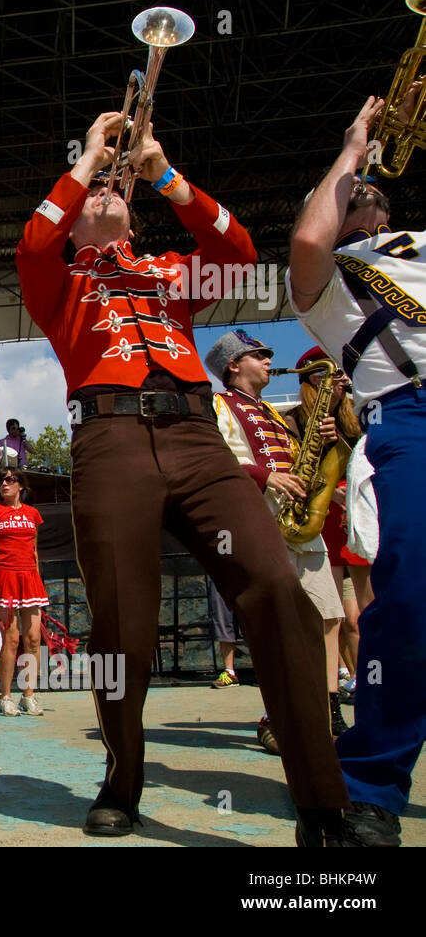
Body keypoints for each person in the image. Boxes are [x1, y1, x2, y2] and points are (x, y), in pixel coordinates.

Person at [16, 112, 350, 844]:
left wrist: (161, 170)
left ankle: (323, 804)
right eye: (92, 194)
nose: (108, 189)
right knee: (122, 630)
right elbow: (33, 239)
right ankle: (122, 780)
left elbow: (236, 250)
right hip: (110, 441)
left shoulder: (168, 271)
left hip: (199, 437)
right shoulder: (57, 277)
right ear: (76, 223)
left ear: (133, 216)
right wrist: (89, 162)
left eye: (117, 187)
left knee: (278, 593)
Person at [287, 94, 426, 846]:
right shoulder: (329, 276)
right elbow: (309, 236)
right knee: (410, 597)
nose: (362, 193)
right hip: (410, 417)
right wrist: (354, 146)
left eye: (371, 188)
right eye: (349, 192)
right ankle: (369, 783)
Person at [205, 330, 350, 743]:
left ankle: (328, 711)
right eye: (260, 355)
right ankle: (276, 716)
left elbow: (296, 459)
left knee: (327, 616)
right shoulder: (217, 405)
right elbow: (217, 458)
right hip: (262, 517)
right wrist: (266, 476)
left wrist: (319, 446)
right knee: (281, 621)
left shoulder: (270, 409)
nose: (270, 360)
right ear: (234, 365)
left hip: (302, 521)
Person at [290, 346, 369, 702]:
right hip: (323, 517)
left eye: (342, 375)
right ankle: (335, 684)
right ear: (314, 380)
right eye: (333, 375)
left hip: (359, 515)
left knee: (364, 614)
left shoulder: (358, 418)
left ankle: (368, 680)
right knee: (338, 615)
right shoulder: (296, 419)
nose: (341, 381)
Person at [0, 466, 48, 716]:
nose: (4, 484)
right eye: (0, 481)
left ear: (21, 486)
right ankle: (5, 696)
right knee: (12, 638)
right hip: (4, 577)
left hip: (30, 579)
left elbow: (34, 550)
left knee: (34, 641)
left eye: (9, 479)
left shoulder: (33, 514)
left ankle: (29, 696)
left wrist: (38, 579)